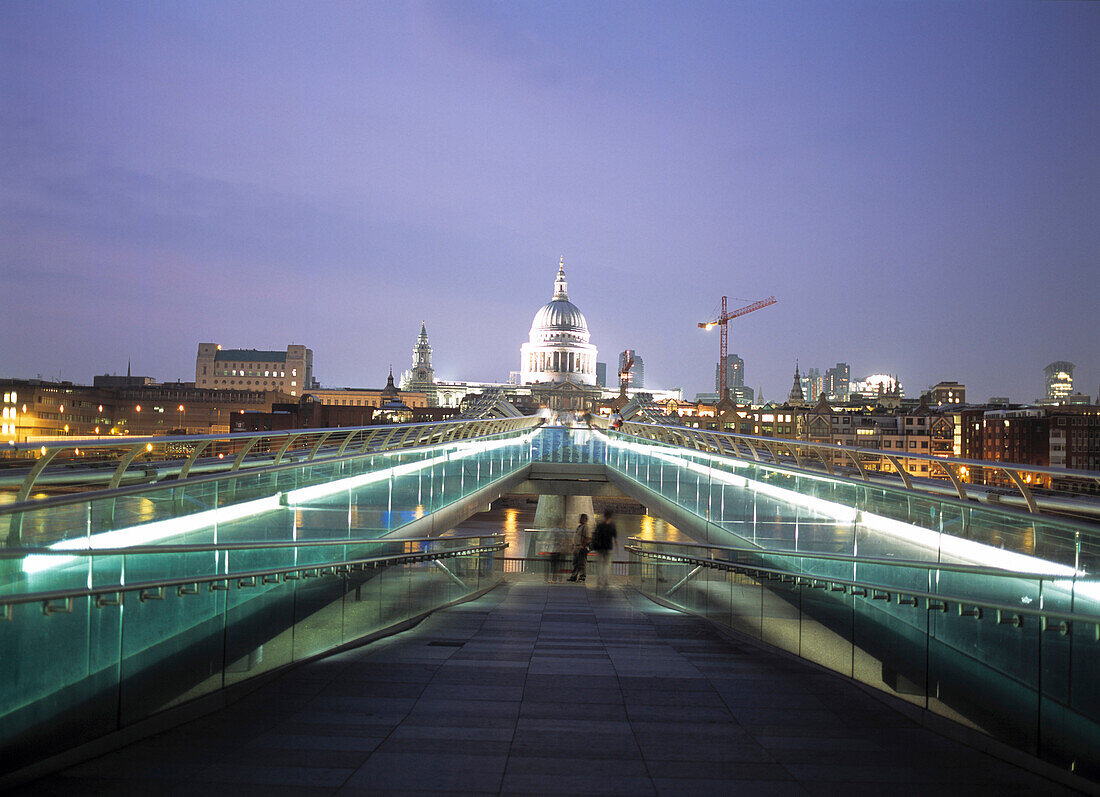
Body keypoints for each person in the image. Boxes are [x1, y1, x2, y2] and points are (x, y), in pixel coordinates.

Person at [591, 509, 618, 588]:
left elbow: (595, 535)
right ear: (611, 516)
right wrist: (617, 549)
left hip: (600, 548)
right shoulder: (612, 526)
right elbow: (615, 539)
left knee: (599, 565)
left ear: (604, 515)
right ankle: (606, 581)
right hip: (608, 548)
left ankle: (599, 581)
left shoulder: (600, 525)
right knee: (607, 565)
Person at [567, 513, 590, 582]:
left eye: (581, 518)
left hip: (581, 547)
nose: (579, 519)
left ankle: (582, 576)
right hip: (576, 547)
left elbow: (588, 537)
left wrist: (582, 545)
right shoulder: (579, 527)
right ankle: (574, 576)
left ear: (585, 519)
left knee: (582, 562)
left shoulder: (585, 527)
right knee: (575, 562)